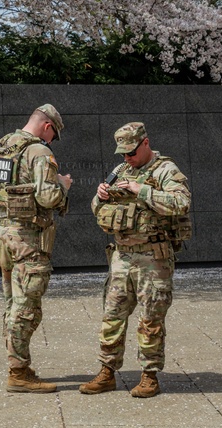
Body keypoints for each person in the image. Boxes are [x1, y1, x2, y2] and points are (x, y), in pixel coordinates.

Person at [80, 122, 191, 398]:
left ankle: (149, 376)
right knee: (112, 316)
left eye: (131, 152)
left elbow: (181, 202)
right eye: (123, 154)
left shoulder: (166, 169)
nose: (127, 158)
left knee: (151, 318)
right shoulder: (120, 171)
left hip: (153, 257)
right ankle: (107, 372)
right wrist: (100, 196)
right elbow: (97, 208)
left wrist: (141, 190)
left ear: (145, 143)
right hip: (122, 257)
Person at [0, 104, 72, 393]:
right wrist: (63, 185)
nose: (51, 140)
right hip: (28, 241)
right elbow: (47, 197)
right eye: (53, 135)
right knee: (27, 306)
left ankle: (17, 364)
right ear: (48, 127)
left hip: (5, 237)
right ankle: (18, 373)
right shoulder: (39, 152)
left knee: (12, 303)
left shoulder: (5, 147)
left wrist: (6, 222)